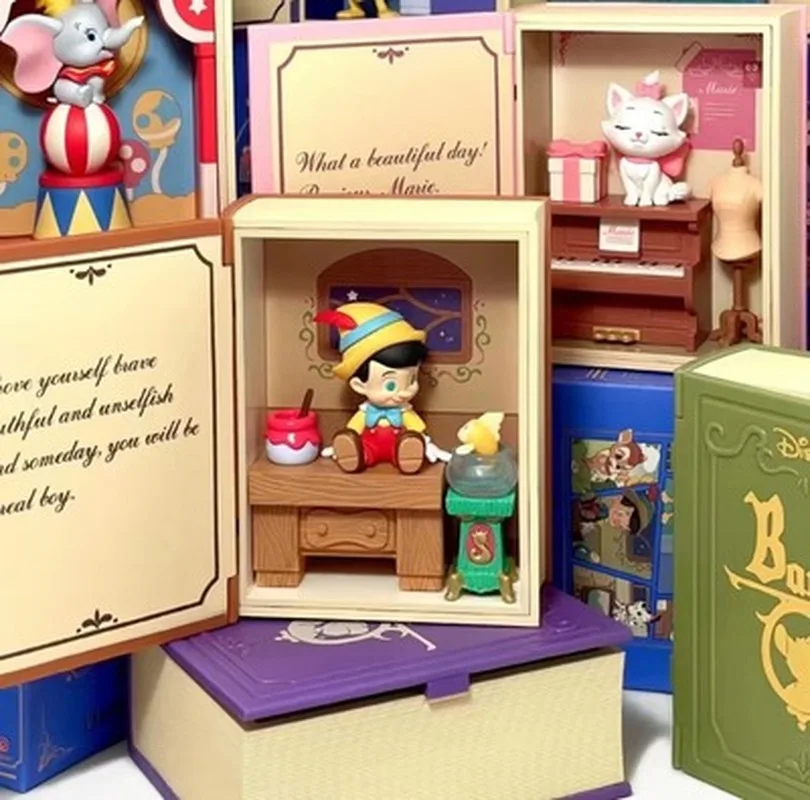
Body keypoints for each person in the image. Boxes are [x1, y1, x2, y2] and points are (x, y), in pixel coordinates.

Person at [315, 302, 436, 474]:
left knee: (406, 444)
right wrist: (344, 442)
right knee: (363, 449)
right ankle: (357, 455)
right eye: (391, 385)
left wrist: (426, 443)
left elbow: (417, 428)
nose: (404, 392)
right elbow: (353, 429)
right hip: (370, 445)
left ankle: (407, 455)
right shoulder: (364, 413)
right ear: (359, 386)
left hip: (398, 445)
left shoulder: (405, 412)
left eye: (411, 380)